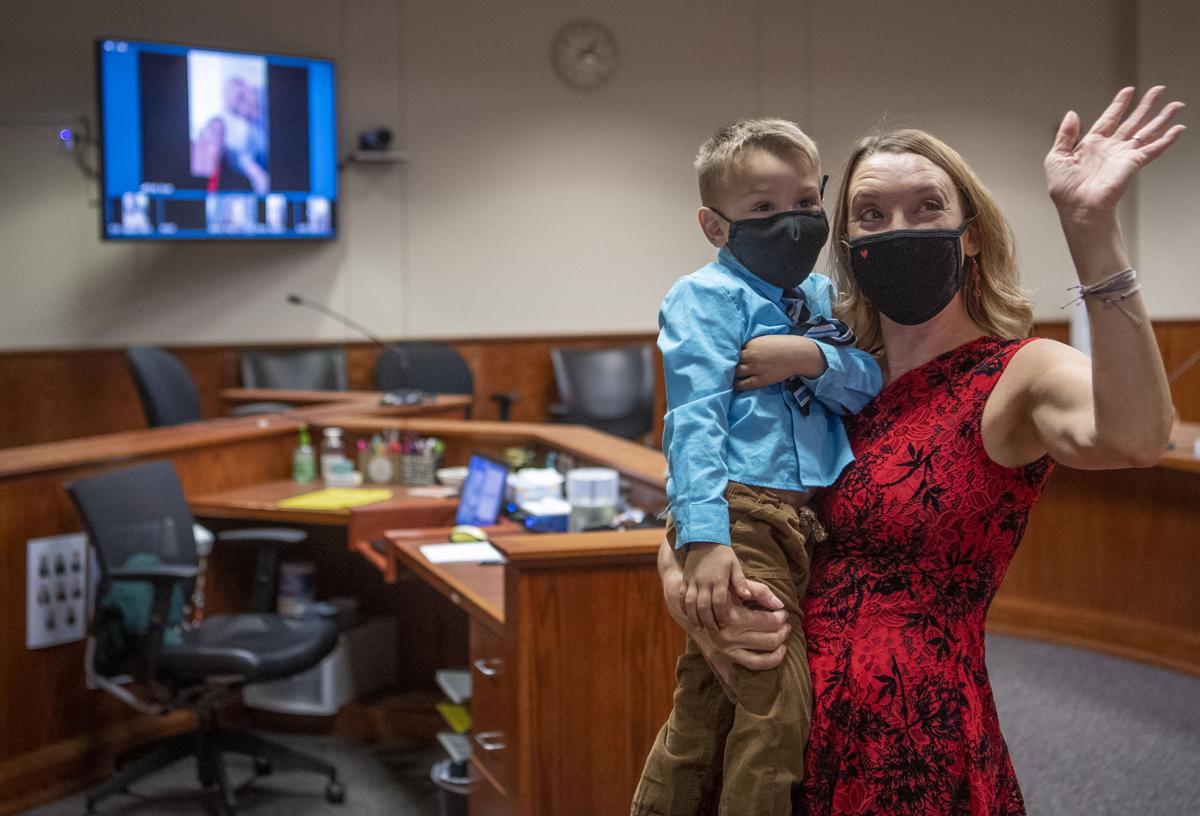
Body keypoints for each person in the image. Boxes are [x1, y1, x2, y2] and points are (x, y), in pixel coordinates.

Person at [653, 86, 1185, 815]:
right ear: (843, 242)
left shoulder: (1018, 371)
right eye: (871, 214)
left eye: (927, 207)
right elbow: (710, 489)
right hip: (776, 728)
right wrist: (685, 584)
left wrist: (1091, 229)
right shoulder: (823, 366)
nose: (896, 230)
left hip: (908, 746)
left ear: (970, 231)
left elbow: (1136, 437)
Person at [632, 119, 881, 816]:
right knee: (776, 717)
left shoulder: (826, 301)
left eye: (805, 203)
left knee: (705, 715)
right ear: (716, 226)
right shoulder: (706, 298)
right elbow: (694, 421)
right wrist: (704, 542)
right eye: (764, 210)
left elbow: (868, 380)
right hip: (742, 516)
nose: (793, 224)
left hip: (805, 525)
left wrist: (808, 357)